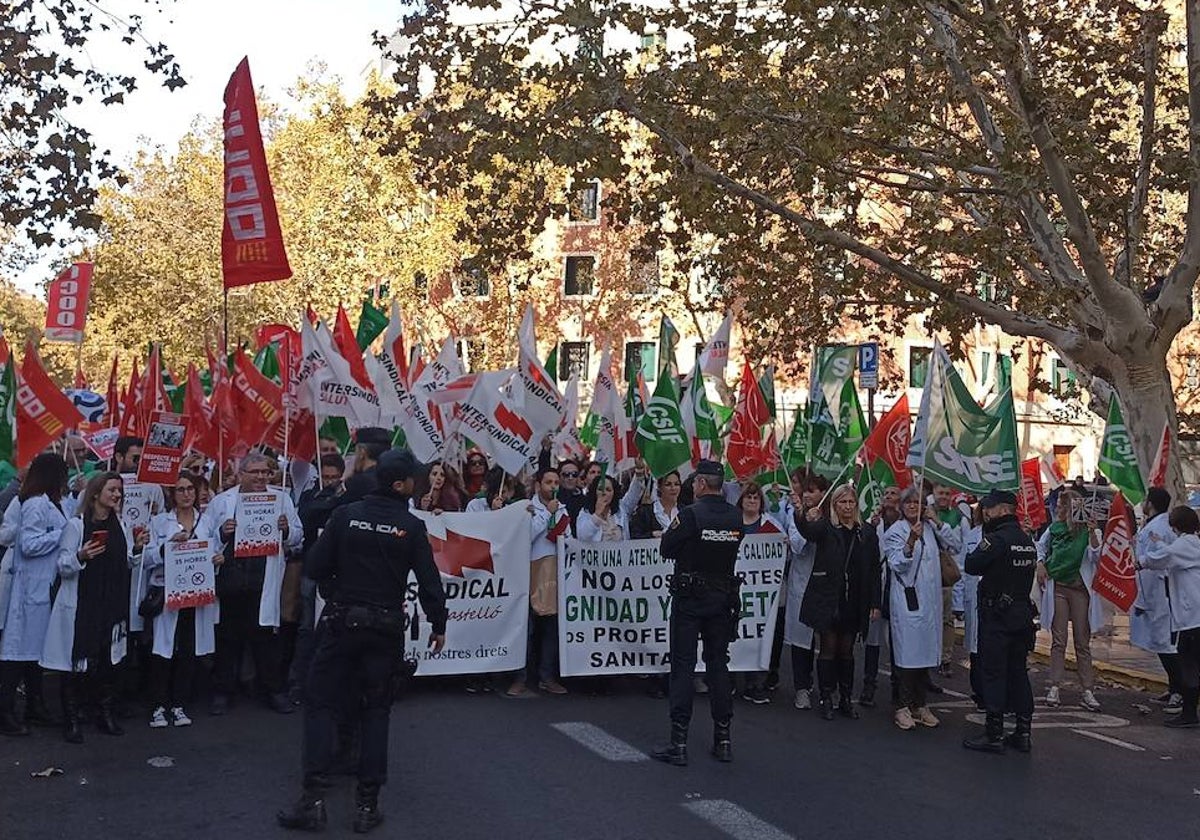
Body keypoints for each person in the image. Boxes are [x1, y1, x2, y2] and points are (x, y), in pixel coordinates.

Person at [277, 449, 447, 833]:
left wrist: (340, 589)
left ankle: (313, 799)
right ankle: (367, 806)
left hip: (342, 622)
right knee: (376, 711)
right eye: (415, 478)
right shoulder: (410, 525)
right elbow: (429, 581)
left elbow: (317, 566)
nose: (420, 483)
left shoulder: (345, 516)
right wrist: (439, 623)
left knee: (320, 704)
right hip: (385, 629)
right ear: (399, 485)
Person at [41, 472, 149, 743]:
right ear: (96, 493)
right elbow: (63, 564)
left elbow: (126, 563)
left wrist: (136, 549)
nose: (117, 495)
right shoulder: (76, 526)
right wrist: (81, 555)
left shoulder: (120, 525)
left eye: (119, 492)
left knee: (108, 662)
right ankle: (73, 718)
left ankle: (104, 712)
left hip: (111, 604)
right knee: (79, 662)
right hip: (83, 606)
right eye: (112, 490)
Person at [651, 459, 745, 767]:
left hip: (690, 600)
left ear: (702, 485)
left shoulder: (690, 515)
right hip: (722, 599)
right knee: (718, 666)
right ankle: (724, 739)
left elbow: (666, 548)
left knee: (683, 666)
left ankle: (678, 742)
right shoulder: (735, 517)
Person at [200, 452, 302, 716]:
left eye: (265, 472)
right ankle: (223, 691)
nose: (260, 477)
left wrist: (286, 529)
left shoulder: (281, 500)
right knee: (227, 639)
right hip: (231, 579)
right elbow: (203, 537)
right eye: (254, 472)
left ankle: (274, 691)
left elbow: (297, 538)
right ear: (241, 474)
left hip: (262, 579)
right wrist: (223, 533)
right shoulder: (223, 502)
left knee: (265, 640)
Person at [961, 490, 1038, 753]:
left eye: (989, 509)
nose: (985, 514)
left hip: (998, 616)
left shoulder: (996, 540)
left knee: (993, 672)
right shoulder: (1026, 540)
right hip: (1022, 615)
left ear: (1002, 510)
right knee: (1018, 673)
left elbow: (971, 564)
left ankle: (994, 732)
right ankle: (1023, 731)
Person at [798, 484, 881, 721]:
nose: (847, 506)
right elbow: (807, 531)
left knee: (847, 652)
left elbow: (875, 569)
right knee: (828, 648)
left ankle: (845, 697)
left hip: (854, 600)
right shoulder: (826, 528)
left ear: (856, 505)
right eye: (842, 502)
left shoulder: (866, 532)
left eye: (850, 502)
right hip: (828, 598)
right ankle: (826, 697)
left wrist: (875, 603)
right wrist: (804, 513)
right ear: (834, 505)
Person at [145, 471, 221, 728]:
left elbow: (215, 553)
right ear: (172, 494)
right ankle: (158, 705)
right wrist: (168, 547)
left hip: (195, 595)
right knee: (163, 649)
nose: (187, 494)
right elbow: (145, 558)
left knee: (188, 649)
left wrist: (217, 560)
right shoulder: (159, 522)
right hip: (167, 592)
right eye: (180, 489)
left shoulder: (207, 521)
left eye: (190, 489)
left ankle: (178, 704)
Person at [0, 454, 69, 736]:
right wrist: (62, 535)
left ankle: (34, 706)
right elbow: (27, 545)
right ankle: (5, 712)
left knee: (35, 652)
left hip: (43, 585)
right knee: (17, 652)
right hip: (29, 587)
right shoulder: (35, 503)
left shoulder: (53, 502)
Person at [883, 486, 951, 731]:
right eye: (909, 503)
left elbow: (956, 545)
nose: (914, 506)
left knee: (924, 654)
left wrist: (938, 522)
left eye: (918, 503)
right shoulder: (895, 532)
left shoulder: (931, 529)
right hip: (907, 601)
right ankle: (902, 706)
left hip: (930, 602)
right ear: (901, 507)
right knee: (907, 655)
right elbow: (896, 564)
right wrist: (910, 541)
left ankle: (920, 704)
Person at [1037, 488, 1102, 711]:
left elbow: (1096, 556)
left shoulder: (1087, 530)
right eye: (1059, 505)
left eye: (1064, 506)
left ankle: (1087, 690)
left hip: (1079, 590)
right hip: (1059, 587)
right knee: (1059, 639)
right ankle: (1054, 686)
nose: (1059, 509)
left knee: (1082, 642)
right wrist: (1040, 564)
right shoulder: (1053, 530)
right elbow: (1041, 547)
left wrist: (1093, 534)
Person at [507, 466, 568, 697]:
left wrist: (558, 517)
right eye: (548, 482)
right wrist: (547, 516)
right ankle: (519, 677)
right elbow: (526, 537)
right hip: (528, 573)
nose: (553, 486)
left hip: (553, 573)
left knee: (551, 628)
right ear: (538, 485)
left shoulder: (562, 508)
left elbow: (567, 538)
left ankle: (546, 677)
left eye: (556, 482)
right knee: (527, 629)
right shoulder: (526, 508)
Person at [1139, 505, 1200, 727]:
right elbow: (1170, 552)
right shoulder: (1190, 544)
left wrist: (1141, 561)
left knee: (1189, 665)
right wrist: (1158, 542)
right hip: (1192, 615)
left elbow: (1165, 557)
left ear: (1176, 526)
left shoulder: (1185, 546)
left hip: (1192, 617)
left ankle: (1189, 713)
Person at [1135, 487, 1182, 712]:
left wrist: (1143, 561)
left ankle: (1180, 691)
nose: (1143, 503)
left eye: (1145, 500)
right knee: (1160, 642)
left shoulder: (1161, 528)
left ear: (1151, 503)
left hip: (1162, 592)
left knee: (1166, 643)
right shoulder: (1154, 524)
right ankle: (1174, 688)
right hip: (1151, 592)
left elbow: (1164, 557)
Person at [735, 482, 780, 705]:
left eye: (756, 498)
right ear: (741, 501)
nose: (752, 501)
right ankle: (732, 680)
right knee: (735, 634)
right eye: (748, 497)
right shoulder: (731, 523)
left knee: (758, 636)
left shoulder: (770, 525)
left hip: (760, 593)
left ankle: (755, 683)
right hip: (735, 588)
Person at [783, 471, 825, 711]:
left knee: (828, 642)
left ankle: (827, 689)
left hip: (825, 584)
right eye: (805, 490)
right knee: (802, 641)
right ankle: (802, 688)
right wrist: (804, 520)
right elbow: (798, 545)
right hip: (802, 582)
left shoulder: (829, 515)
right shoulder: (794, 514)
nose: (807, 495)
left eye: (812, 491)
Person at [863, 484, 902, 706]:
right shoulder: (874, 523)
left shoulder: (905, 526)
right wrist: (871, 525)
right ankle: (869, 683)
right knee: (872, 638)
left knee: (895, 640)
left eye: (893, 493)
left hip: (895, 586)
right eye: (886, 494)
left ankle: (899, 687)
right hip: (875, 586)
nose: (888, 497)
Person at [576, 474, 632, 542]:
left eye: (608, 490)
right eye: (600, 489)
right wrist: (596, 515)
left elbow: (633, 496)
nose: (604, 493)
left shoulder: (620, 511)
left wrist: (639, 473)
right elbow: (582, 537)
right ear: (594, 492)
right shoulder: (585, 513)